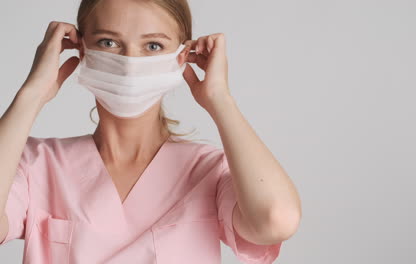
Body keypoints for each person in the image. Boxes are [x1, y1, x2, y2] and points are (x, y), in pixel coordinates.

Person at [0, 0, 302, 263]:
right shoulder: (34, 164)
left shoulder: (208, 170)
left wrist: (220, 101)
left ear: (182, 56)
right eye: (108, 42)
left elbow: (275, 220)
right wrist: (31, 95)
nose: (130, 62)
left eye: (153, 46)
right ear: (80, 48)